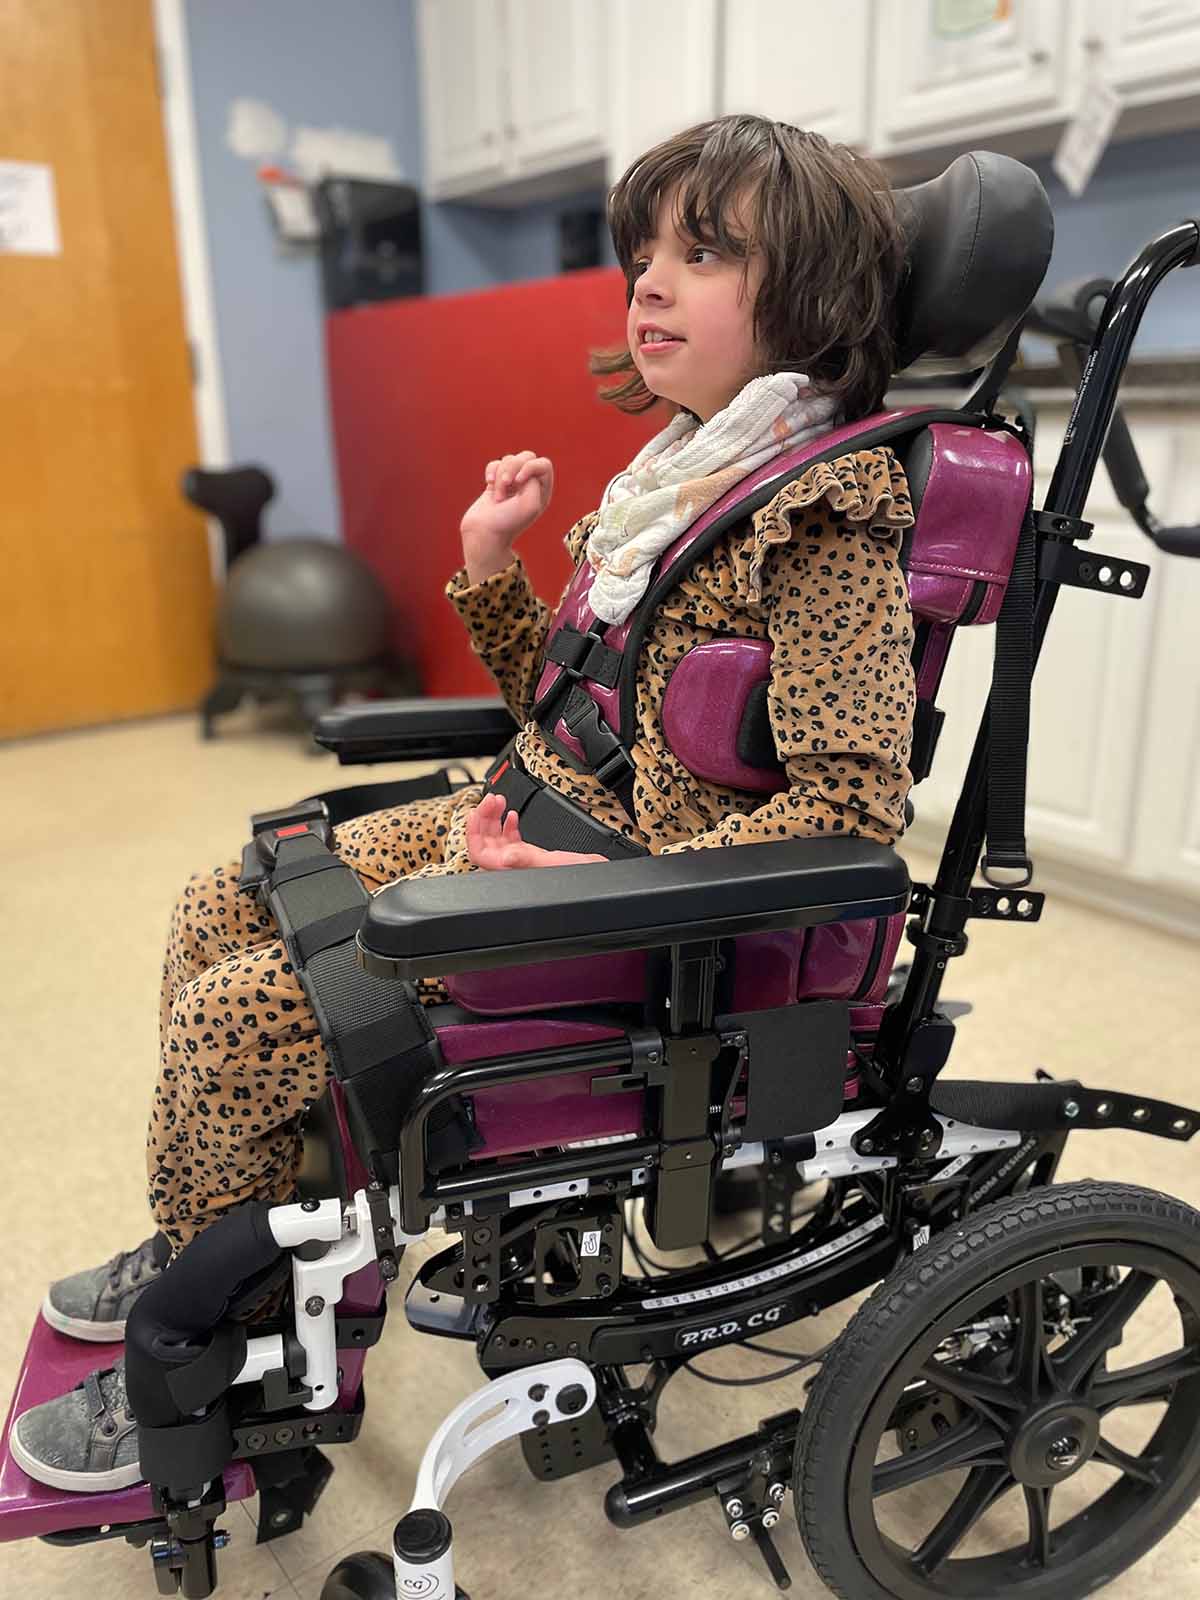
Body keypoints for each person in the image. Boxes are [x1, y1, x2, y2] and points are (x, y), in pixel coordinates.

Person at [11, 113, 916, 1491]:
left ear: (816, 297)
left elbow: (850, 815)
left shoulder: (823, 516)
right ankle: (216, 1225)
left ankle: (222, 1331)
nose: (649, 283)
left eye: (705, 253)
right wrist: (489, 567)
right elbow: (570, 712)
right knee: (217, 899)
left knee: (234, 1015)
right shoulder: (684, 484)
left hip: (633, 912)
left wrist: (582, 892)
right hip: (530, 824)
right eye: (645, 254)